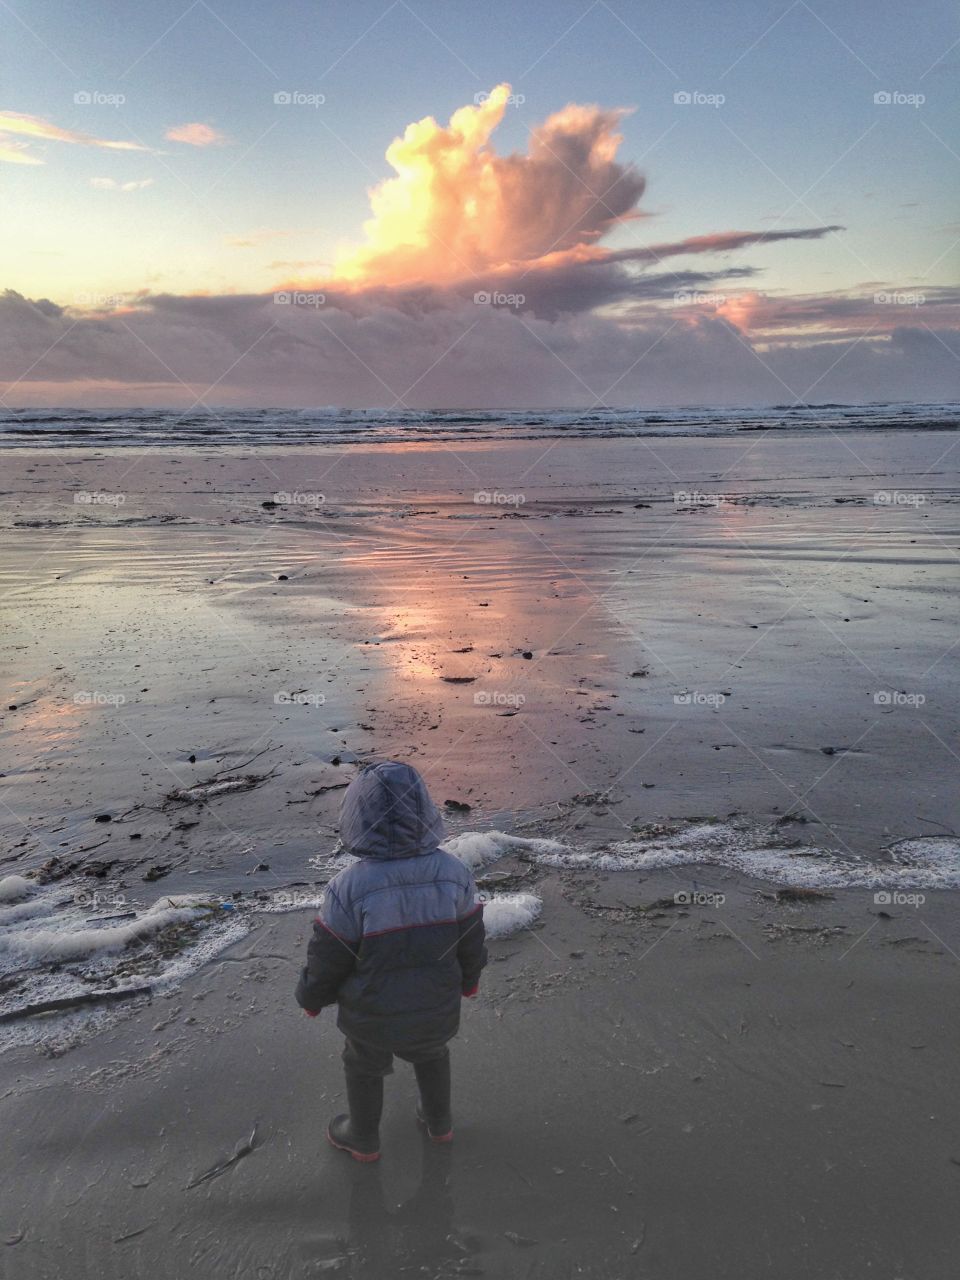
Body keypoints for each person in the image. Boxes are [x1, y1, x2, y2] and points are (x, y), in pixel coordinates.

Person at [295, 760, 487, 1162]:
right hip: (435, 1005)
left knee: (363, 1065)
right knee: (433, 1053)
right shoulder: (454, 873)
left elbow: (329, 955)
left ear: (355, 819)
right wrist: (469, 980)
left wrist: (312, 996)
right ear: (425, 810)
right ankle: (440, 1124)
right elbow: (470, 938)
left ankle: (362, 1136)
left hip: (371, 1014)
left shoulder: (348, 888)